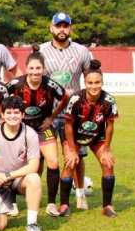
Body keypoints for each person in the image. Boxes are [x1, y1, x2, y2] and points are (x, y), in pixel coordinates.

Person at [39, 12, 94, 210]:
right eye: (58, 26)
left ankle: (79, 194)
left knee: (76, 155)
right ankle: (40, 195)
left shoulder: (81, 51)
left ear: (70, 29)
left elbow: (91, 78)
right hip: (48, 114)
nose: (62, 29)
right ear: (51, 28)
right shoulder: (42, 51)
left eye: (65, 26)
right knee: (43, 157)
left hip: (74, 113)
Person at [8, 47, 69, 217]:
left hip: (43, 128)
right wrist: (7, 119)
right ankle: (11, 203)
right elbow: (1, 98)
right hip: (21, 129)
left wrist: (52, 116)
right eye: (32, 68)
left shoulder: (49, 85)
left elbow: (65, 97)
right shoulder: (16, 84)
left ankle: (50, 203)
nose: (35, 72)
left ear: (43, 69)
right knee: (14, 163)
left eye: (38, 68)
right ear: (26, 68)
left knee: (53, 162)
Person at [0, 96, 44, 231]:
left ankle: (32, 223)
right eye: (8, 112)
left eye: (16, 112)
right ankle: (3, 206)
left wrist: (9, 176)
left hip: (16, 179)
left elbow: (33, 166)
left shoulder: (30, 134)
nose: (12, 116)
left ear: (23, 115)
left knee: (34, 178)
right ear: (2, 114)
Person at [63, 60, 119, 218]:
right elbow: (67, 125)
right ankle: (64, 205)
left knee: (107, 163)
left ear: (102, 82)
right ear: (84, 83)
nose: (94, 86)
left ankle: (107, 206)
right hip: (75, 136)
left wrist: (106, 150)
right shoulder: (75, 99)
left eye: (97, 83)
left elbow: (110, 126)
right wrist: (73, 150)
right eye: (90, 83)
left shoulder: (109, 101)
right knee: (70, 162)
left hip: (96, 137)